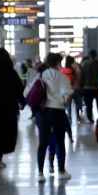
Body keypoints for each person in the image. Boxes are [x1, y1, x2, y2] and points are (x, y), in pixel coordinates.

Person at [35, 52, 74, 182]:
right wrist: (63, 101)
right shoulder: (62, 77)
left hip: (43, 112)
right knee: (59, 141)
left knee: (43, 142)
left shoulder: (40, 75)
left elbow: (28, 91)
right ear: (58, 63)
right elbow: (67, 96)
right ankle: (61, 171)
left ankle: (40, 173)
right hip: (58, 111)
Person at [79, 50, 98, 123]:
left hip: (87, 88)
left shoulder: (84, 64)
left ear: (89, 55)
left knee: (89, 105)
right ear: (96, 55)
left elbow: (81, 76)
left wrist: (81, 86)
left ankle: (90, 119)